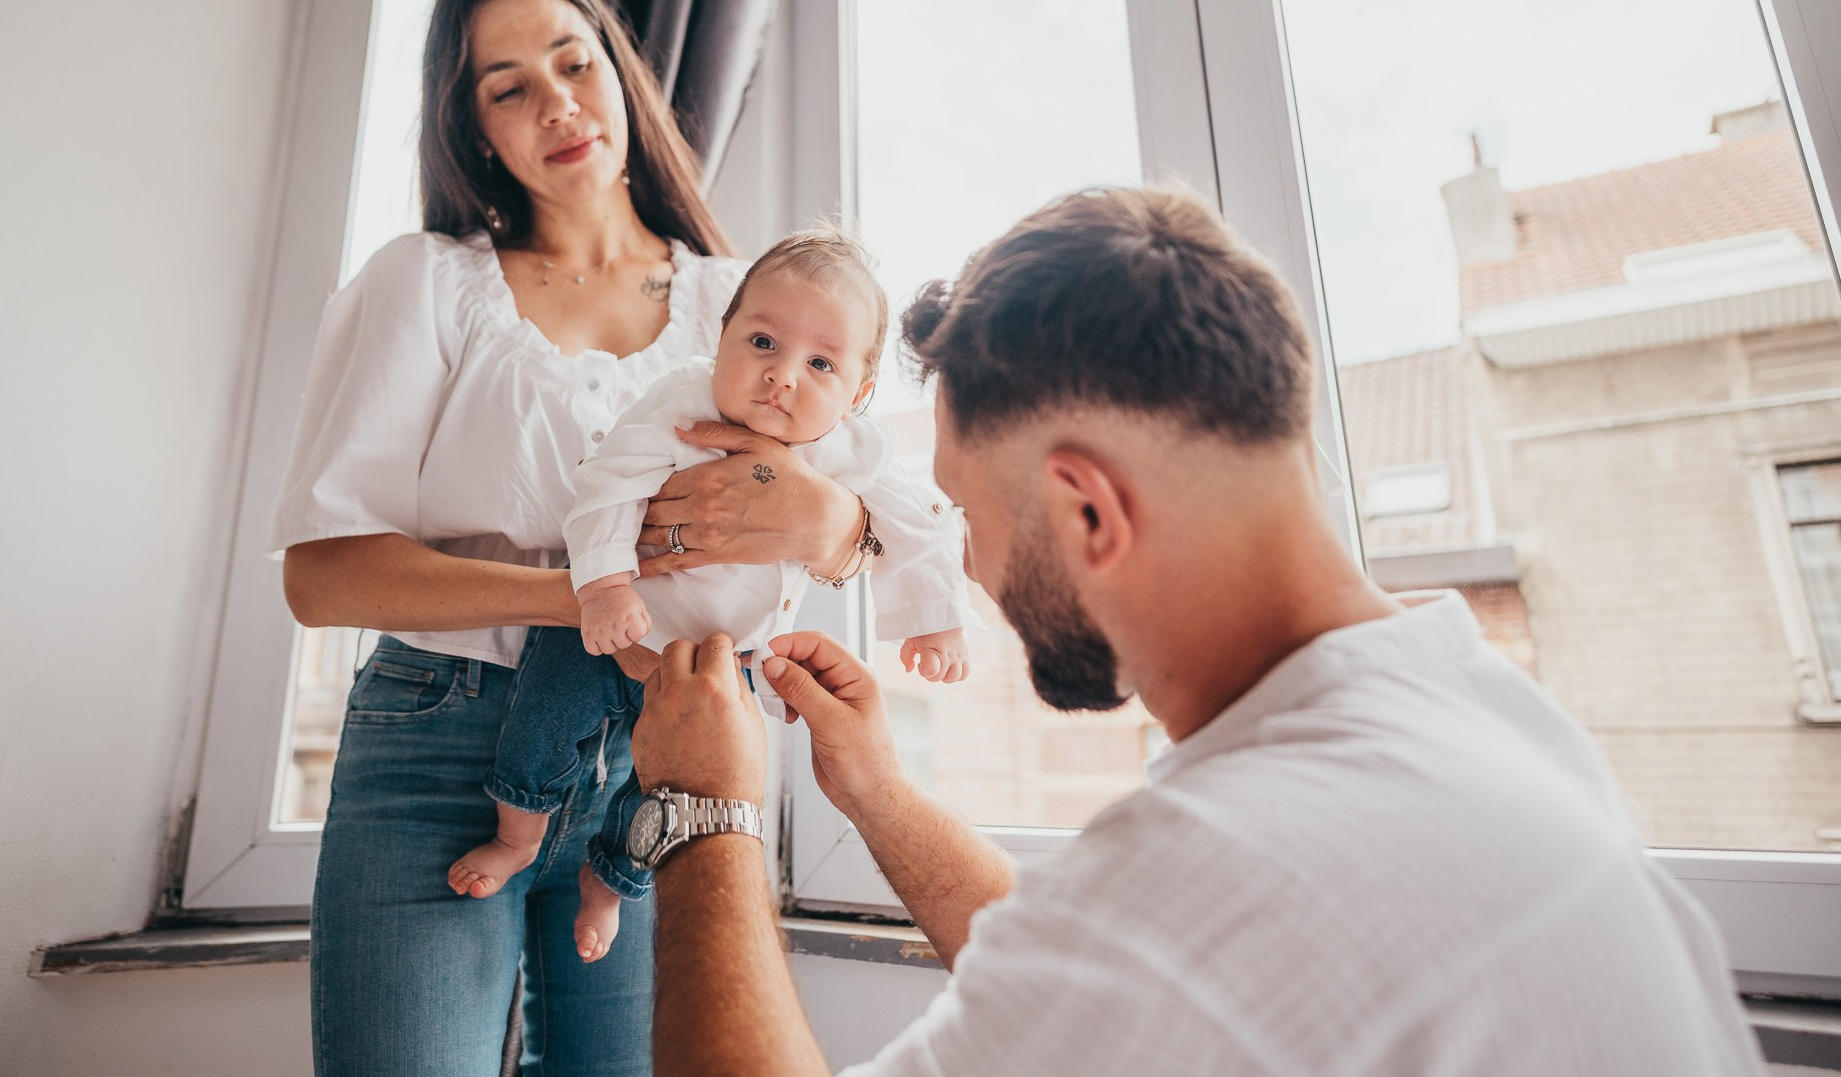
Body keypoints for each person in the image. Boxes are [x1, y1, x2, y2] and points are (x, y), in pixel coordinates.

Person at [629, 185, 1767, 1076]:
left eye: (966, 518)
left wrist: (704, 809)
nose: (964, 567)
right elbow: (1108, 978)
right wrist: (876, 787)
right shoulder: (1475, 706)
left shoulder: (1237, 862)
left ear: (1086, 510)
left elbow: (1172, 929)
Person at [269, 0, 878, 1077]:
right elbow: (323, 576)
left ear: (619, 77)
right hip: (440, 744)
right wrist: (591, 595)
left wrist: (835, 520)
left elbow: (862, 513)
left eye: (571, 61)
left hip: (678, 739)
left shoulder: (743, 305)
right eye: (507, 87)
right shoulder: (424, 283)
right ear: (473, 128)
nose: (555, 103)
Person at [447, 229, 978, 963]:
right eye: (762, 341)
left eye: (819, 362)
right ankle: (515, 836)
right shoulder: (681, 401)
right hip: (610, 625)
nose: (781, 375)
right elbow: (609, 481)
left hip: (714, 668)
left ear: (857, 395)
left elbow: (914, 523)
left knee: (664, 793)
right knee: (541, 723)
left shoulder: (848, 449)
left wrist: (936, 620)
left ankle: (612, 881)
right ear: (723, 335)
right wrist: (602, 588)